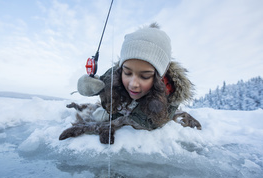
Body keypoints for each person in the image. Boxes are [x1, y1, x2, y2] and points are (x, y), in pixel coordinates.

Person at [59, 23, 201, 144]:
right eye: (127, 73)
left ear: (159, 78)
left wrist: (114, 122)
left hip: (145, 109)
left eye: (145, 76)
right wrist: (88, 86)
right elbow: (97, 83)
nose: (133, 84)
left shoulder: (170, 96)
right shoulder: (114, 75)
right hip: (121, 104)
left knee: (103, 116)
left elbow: (149, 123)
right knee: (98, 114)